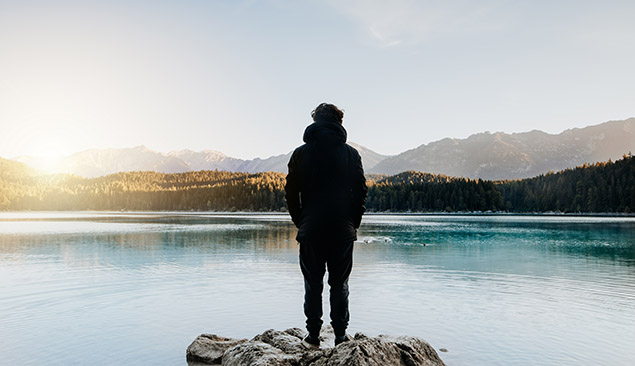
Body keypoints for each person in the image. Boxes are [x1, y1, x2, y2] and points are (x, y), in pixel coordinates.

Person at [285, 103, 368, 347]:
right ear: (338, 122)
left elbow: (291, 192)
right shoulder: (350, 154)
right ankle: (341, 335)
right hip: (341, 230)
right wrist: (353, 222)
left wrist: (300, 221)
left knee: (312, 284)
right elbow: (361, 192)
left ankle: (312, 336)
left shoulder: (300, 154)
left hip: (311, 229)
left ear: (315, 122)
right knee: (339, 284)